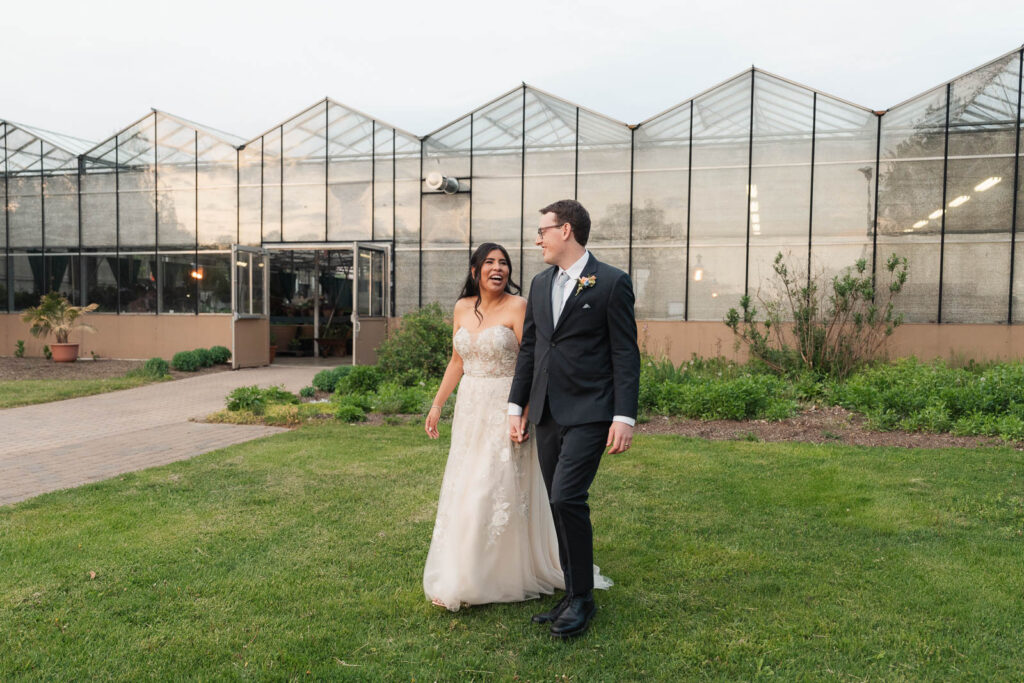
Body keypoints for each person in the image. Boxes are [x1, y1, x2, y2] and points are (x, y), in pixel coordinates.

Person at [509, 199, 641, 639]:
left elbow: (625, 352)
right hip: (546, 412)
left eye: (543, 230)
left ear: (566, 230)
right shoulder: (540, 283)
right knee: (555, 502)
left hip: (591, 412)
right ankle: (571, 591)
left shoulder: (611, 283)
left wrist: (624, 415)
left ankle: (583, 598)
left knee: (567, 497)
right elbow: (531, 348)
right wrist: (517, 406)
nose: (537, 239)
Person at [423, 243, 578, 610]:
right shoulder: (462, 308)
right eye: (490, 262)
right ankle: (464, 568)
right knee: (465, 486)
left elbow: (533, 362)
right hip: (470, 410)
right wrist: (437, 403)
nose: (498, 268)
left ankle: (484, 576)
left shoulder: (519, 307)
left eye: (504, 263)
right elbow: (457, 361)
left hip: (505, 407)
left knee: (491, 488)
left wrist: (522, 410)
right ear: (475, 270)